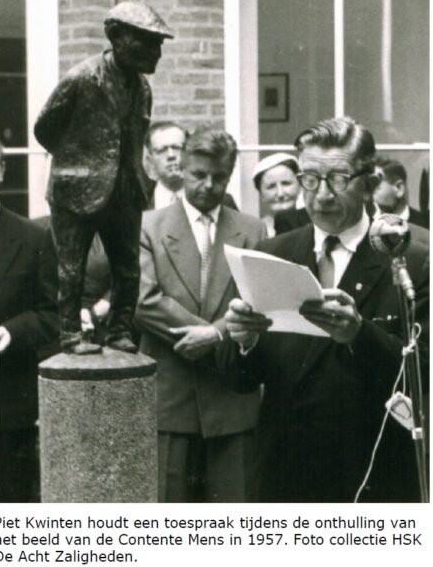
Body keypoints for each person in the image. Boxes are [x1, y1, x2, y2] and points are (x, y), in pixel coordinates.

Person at [216, 117, 429, 502]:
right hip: (287, 478)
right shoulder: (271, 253)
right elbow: (239, 379)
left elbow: (425, 373)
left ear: (370, 181)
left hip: (376, 481)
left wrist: (359, 335)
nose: (322, 195)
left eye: (339, 179)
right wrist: (241, 341)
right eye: (310, 179)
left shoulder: (412, 260)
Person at [34, 1, 173, 355]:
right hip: (76, 189)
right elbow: (45, 128)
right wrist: (80, 162)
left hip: (124, 190)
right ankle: (70, 335)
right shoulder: (82, 78)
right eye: (147, 41)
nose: (156, 52)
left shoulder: (142, 88)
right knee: (71, 269)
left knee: (127, 269)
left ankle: (119, 331)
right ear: (116, 36)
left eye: (159, 43)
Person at [135, 127, 265, 502]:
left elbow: (256, 299)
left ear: (230, 174)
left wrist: (216, 335)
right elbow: (144, 300)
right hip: (169, 394)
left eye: (219, 177)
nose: (208, 185)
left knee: (234, 519)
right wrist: (211, 332)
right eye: (198, 175)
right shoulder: (149, 226)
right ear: (182, 168)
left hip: (231, 398)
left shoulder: (252, 230)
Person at [0, 137, 59, 502]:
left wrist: (11, 332)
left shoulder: (32, 237)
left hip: (8, 407)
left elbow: (51, 314)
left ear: (1, 173)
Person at [145, 120, 238, 211]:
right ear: (150, 159)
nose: (171, 155)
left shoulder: (224, 202)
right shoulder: (139, 204)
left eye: (177, 148)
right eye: (162, 150)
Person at [252, 153, 301, 237]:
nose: (280, 193)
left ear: (300, 186)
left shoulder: (315, 225)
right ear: (261, 194)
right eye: (271, 187)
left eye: (286, 183)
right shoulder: (256, 232)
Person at [373, 156, 429, 229]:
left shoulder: (427, 227)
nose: (366, 195)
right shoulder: (363, 227)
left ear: (399, 188)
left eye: (373, 186)